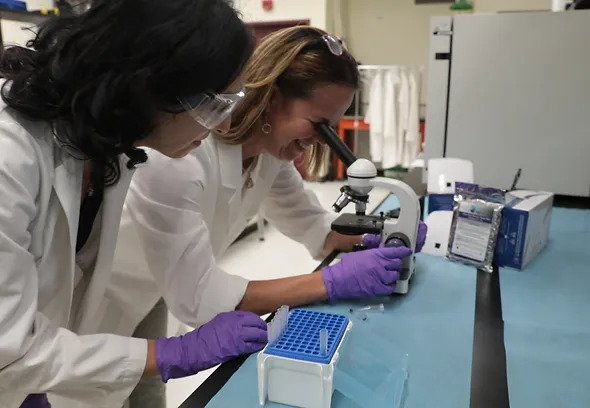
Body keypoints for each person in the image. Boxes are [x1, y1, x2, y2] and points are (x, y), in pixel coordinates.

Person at [104, 25, 427, 398]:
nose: (323, 141)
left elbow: (317, 229)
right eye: (319, 124)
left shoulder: (268, 157)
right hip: (100, 299)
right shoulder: (181, 155)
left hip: (152, 290)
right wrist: (330, 283)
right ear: (272, 99)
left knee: (146, 398)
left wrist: (379, 234)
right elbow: (200, 298)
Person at [0, 1, 268, 408]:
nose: (226, 127)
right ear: (149, 84)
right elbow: (9, 348)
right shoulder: (10, 156)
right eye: (216, 105)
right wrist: (172, 353)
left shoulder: (109, 147)